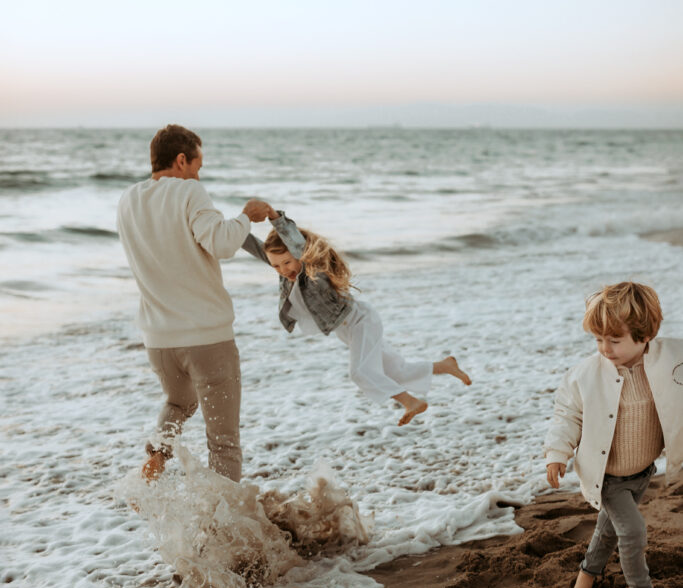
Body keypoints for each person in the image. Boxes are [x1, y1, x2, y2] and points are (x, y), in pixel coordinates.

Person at [116, 124, 276, 482]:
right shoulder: (190, 192)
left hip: (159, 342)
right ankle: (222, 528)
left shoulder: (128, 200)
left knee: (179, 402)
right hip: (207, 340)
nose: (198, 174)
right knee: (223, 443)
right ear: (181, 159)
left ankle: (155, 459)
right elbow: (221, 243)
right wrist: (245, 216)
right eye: (197, 166)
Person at [242, 214, 471, 425]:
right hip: (347, 329)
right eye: (276, 265)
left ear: (300, 256)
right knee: (395, 372)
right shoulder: (283, 270)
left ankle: (411, 402)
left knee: (360, 372)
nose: (283, 269)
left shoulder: (313, 270)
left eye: (288, 262)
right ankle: (445, 366)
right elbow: (249, 243)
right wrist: (222, 225)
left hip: (361, 321)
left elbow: (296, 243)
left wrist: (274, 217)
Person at [544, 281, 683, 588]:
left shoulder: (674, 359)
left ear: (645, 334)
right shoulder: (584, 376)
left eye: (614, 340)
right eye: (598, 339)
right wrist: (556, 453)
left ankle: (586, 577)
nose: (604, 348)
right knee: (632, 531)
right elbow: (568, 415)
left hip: (644, 471)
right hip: (607, 476)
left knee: (608, 531)